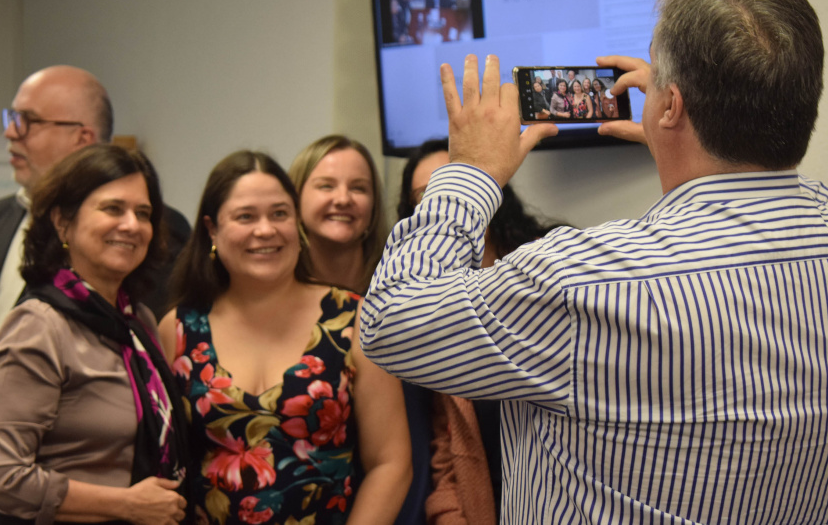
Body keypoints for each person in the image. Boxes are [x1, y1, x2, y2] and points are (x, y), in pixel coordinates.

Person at [359, 0, 828, 523]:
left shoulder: (580, 282)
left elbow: (392, 320)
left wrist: (471, 173)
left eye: (657, 84)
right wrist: (683, 135)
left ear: (671, 105)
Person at [0, 65, 191, 523]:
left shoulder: (137, 321)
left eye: (143, 213)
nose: (131, 225)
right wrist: (127, 504)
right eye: (112, 209)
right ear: (64, 223)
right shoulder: (41, 324)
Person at [160, 150, 411, 524]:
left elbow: (391, 463)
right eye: (246, 216)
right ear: (212, 230)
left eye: (280, 214)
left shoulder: (354, 317)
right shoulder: (178, 329)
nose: (266, 230)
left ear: (297, 224)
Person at [397, 138, 567, 524]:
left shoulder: (552, 261)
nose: (448, 203)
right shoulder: (423, 305)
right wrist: (449, 513)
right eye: (427, 195)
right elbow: (444, 441)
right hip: (483, 501)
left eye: (454, 185)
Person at [288, 135, 388, 294]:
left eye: (358, 188)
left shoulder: (398, 283)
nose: (343, 199)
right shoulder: (276, 288)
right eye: (326, 186)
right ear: (295, 197)